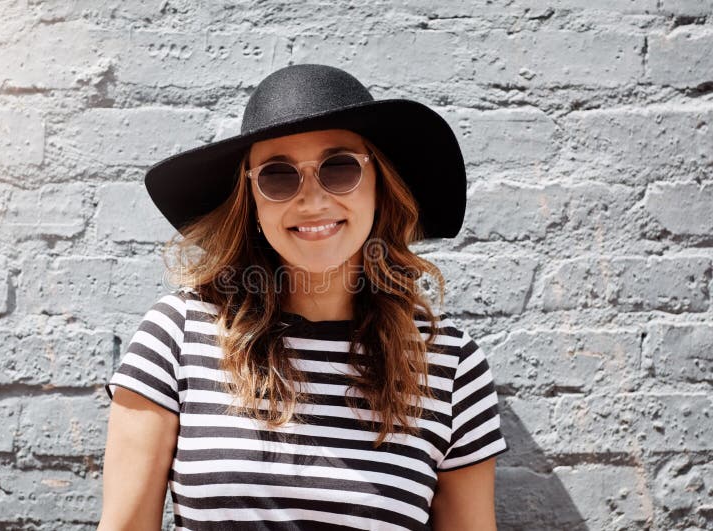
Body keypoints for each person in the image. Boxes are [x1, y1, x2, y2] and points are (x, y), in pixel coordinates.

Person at [97, 64, 509, 531]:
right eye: (278, 176)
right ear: (250, 200)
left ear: (380, 186)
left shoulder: (449, 365)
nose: (312, 200)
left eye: (339, 168)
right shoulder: (177, 334)